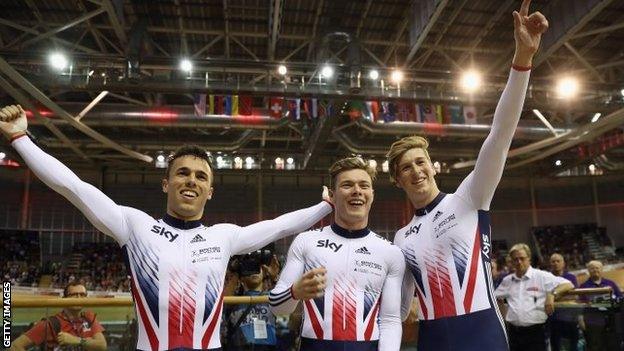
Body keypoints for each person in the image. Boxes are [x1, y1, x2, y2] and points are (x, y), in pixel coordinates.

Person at [0, 104, 333, 351]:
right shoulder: (134, 225)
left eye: (201, 176)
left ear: (210, 191)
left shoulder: (223, 236)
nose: (191, 181)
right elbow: (72, 187)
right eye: (183, 173)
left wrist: (326, 206)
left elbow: (278, 226)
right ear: (166, 183)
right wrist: (19, 138)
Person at [389, 1, 548, 350]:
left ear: (433, 167)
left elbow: (500, 135)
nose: (416, 170)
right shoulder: (401, 238)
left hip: (482, 335)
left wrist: (522, 60)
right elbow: (397, 311)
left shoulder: (470, 196)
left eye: (420, 162)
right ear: (398, 180)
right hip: (431, 341)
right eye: (406, 167)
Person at [269, 157, 405, 351]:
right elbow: (277, 307)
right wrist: (294, 292)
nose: (357, 190)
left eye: (364, 185)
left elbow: (390, 320)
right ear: (332, 196)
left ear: (372, 195)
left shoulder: (390, 252)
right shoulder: (306, 242)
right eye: (347, 185)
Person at [494, 244, 574, 351]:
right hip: (514, 333)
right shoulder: (507, 280)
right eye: (515, 259)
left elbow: (568, 285)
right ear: (512, 261)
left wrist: (551, 294)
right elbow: (495, 297)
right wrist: (503, 316)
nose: (519, 262)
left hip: (536, 333)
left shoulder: (541, 276)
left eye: (522, 258)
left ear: (529, 259)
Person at [10, 282, 107, 351]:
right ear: (64, 299)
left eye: (82, 295)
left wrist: (76, 341)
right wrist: (89, 342)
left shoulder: (89, 317)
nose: (79, 298)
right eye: (74, 295)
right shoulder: (51, 323)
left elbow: (102, 346)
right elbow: (15, 346)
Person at [224, 251, 280, 351]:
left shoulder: (272, 297)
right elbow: (224, 301)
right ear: (241, 278)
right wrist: (237, 272)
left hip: (267, 348)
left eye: (257, 268)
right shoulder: (235, 300)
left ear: (264, 273)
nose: (254, 272)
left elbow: (287, 298)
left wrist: (274, 278)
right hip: (240, 347)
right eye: (249, 268)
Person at [578, 260, 623, 351]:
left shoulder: (611, 283)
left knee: (614, 345)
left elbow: (620, 299)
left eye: (597, 268)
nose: (595, 270)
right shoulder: (583, 286)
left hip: (612, 321)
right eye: (592, 268)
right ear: (588, 270)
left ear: (601, 269)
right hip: (593, 322)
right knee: (596, 347)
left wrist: (595, 301)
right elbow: (581, 305)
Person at [548, 253, 580, 351]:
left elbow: (575, 296)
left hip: (570, 317)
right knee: (556, 346)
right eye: (553, 261)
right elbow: (546, 296)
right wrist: (564, 294)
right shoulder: (546, 277)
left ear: (563, 263)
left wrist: (554, 297)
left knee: (573, 345)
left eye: (558, 261)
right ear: (550, 264)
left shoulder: (571, 277)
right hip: (553, 318)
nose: (556, 263)